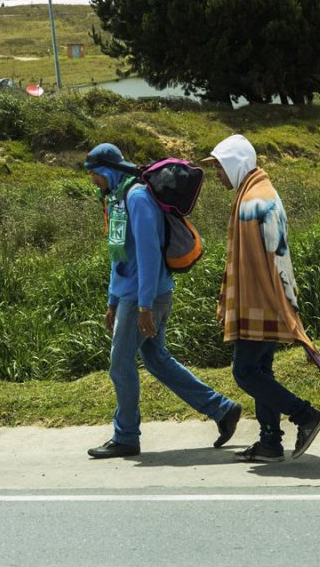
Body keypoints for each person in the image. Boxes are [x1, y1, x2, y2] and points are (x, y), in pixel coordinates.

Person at [81, 144, 242, 458]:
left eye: (95, 175)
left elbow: (149, 253)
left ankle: (126, 436)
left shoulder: (138, 198)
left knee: (120, 364)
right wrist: (112, 301)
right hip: (134, 295)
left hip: (146, 297)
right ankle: (222, 410)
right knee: (156, 359)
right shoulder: (118, 199)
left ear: (108, 170)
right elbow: (121, 256)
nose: (93, 182)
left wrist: (143, 306)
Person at [204, 134, 320, 463]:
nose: (217, 174)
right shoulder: (260, 192)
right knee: (261, 370)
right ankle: (270, 442)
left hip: (261, 301)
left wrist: (277, 303)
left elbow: (270, 257)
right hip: (268, 299)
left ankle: (305, 416)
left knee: (245, 372)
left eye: (219, 167)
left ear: (236, 164)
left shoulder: (252, 201)